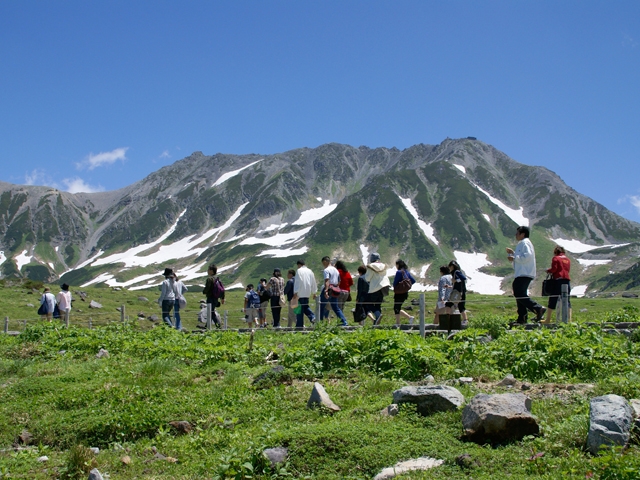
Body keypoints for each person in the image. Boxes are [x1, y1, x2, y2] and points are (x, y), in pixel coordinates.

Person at [506, 226, 546, 324]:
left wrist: (514, 257)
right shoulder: (522, 243)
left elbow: (527, 256)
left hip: (524, 272)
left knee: (518, 292)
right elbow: (523, 256)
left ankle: (537, 308)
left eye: (517, 233)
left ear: (522, 234)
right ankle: (522, 318)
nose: (516, 235)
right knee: (520, 293)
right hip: (522, 272)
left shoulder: (525, 243)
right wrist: (514, 254)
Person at [544, 245, 571, 323]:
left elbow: (554, 269)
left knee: (553, 298)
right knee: (567, 300)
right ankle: (569, 319)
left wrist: (548, 270)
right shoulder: (567, 260)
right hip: (566, 280)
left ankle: (548, 319)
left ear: (556, 252)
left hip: (558, 280)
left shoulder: (556, 258)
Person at [363, 252, 390, 325]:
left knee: (368, 303)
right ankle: (377, 322)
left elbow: (367, 278)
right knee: (378, 304)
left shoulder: (371, 266)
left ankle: (378, 315)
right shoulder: (383, 266)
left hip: (375, 287)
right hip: (384, 287)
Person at [321, 256, 348, 326]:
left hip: (329, 288)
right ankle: (344, 322)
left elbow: (327, 280)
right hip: (335, 289)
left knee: (321, 306)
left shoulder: (326, 270)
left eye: (323, 263)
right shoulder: (336, 270)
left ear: (325, 262)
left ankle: (319, 323)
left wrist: (326, 290)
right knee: (335, 307)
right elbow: (339, 281)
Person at [292, 259, 317, 328]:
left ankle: (299, 326)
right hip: (307, 293)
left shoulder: (299, 271)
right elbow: (313, 282)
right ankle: (312, 317)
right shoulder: (310, 271)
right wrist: (314, 292)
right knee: (305, 306)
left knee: (299, 310)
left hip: (300, 293)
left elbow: (298, 281)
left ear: (299, 265)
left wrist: (295, 292)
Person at [392, 260, 416, 326]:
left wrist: (398, 286)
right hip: (405, 293)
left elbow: (395, 283)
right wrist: (405, 286)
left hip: (399, 293)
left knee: (396, 307)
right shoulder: (406, 272)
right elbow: (413, 280)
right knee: (398, 307)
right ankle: (409, 318)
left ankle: (398, 323)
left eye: (396, 265)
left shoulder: (399, 272)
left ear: (398, 265)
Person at [202, 264, 225, 328]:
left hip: (210, 298)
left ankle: (218, 326)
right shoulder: (218, 279)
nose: (207, 271)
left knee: (211, 313)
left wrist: (204, 292)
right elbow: (222, 289)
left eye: (208, 270)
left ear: (212, 271)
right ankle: (207, 326)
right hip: (216, 299)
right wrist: (222, 298)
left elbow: (207, 288)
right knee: (211, 311)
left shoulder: (210, 279)